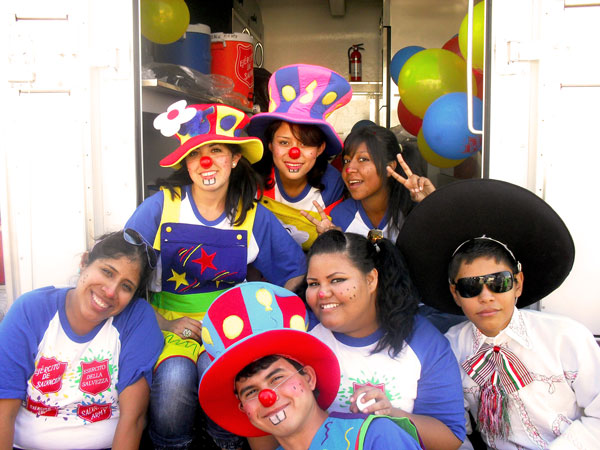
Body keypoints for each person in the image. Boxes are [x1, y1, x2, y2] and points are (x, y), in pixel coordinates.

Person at [125, 101, 307, 450]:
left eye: (216, 150)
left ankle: (227, 444)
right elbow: (124, 279)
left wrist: (274, 323)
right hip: (167, 325)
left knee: (220, 376)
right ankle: (169, 445)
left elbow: (294, 274)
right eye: (195, 154)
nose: (205, 162)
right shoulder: (161, 207)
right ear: (186, 162)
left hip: (229, 330)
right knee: (176, 379)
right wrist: (165, 323)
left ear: (235, 158)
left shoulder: (254, 216)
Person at [397, 178, 600, 449]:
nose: (486, 296)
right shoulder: (451, 348)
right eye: (470, 287)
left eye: (499, 282)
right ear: (455, 294)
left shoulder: (566, 338)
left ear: (518, 283)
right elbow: (456, 429)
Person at [198, 281, 424, 450]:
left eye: (277, 378)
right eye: (251, 392)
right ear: (244, 410)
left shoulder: (375, 437)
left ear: (308, 377)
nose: (268, 396)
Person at [301, 230, 466, 450]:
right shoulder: (302, 342)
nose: (322, 293)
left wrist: (390, 414)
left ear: (370, 280)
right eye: (313, 284)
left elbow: (450, 437)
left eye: (337, 280)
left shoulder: (423, 341)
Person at [0, 229, 163, 450]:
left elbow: (132, 420)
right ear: (85, 262)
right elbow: (3, 411)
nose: (110, 291)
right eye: (107, 272)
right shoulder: (30, 310)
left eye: (126, 287)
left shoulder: (136, 318)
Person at [248, 64, 351, 250]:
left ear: (320, 149)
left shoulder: (331, 183)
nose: (294, 154)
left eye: (304, 144)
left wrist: (331, 237)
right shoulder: (254, 178)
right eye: (284, 143)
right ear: (270, 146)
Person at [303, 124, 435, 242]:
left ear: (390, 167)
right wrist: (332, 245)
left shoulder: (412, 212)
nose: (349, 169)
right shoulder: (339, 216)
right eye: (347, 161)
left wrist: (433, 207)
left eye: (362, 159)